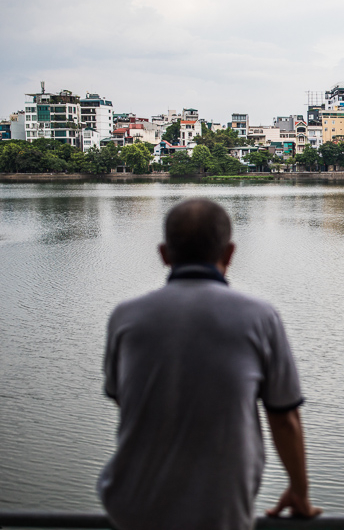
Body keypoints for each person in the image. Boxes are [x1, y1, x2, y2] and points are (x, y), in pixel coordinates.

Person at [98, 198, 320, 530]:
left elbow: (122, 397)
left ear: (163, 254)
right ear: (230, 253)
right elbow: (284, 417)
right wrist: (300, 491)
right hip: (220, 511)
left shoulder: (126, 317)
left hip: (130, 510)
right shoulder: (259, 317)